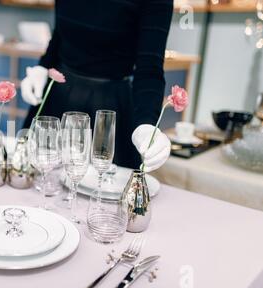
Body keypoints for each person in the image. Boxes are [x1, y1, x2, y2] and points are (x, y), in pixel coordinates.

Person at [21, 0, 173, 172]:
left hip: (108, 112)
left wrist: (147, 124)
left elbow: (149, 68)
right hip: (57, 98)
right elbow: (61, 34)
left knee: (99, 189)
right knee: (37, 182)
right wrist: (43, 67)